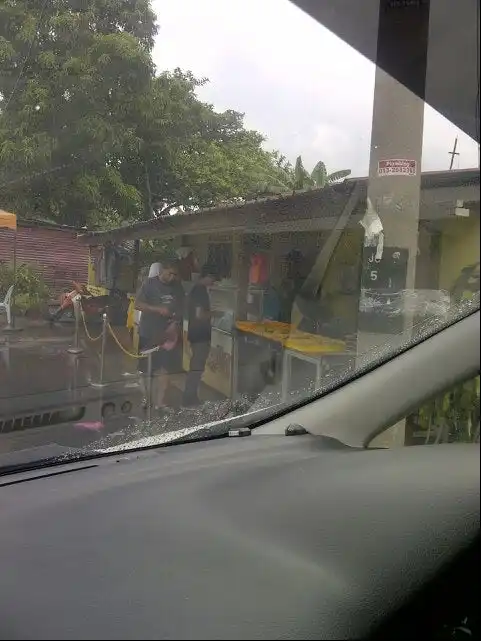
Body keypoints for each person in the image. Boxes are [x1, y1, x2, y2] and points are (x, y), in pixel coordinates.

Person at [135, 260, 184, 413]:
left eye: (175, 274)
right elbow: (137, 304)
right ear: (162, 271)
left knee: (165, 369)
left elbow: (182, 306)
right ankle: (146, 398)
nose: (173, 277)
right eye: (170, 273)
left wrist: (176, 321)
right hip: (148, 332)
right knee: (145, 370)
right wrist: (157, 309)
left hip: (168, 334)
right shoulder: (149, 284)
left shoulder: (177, 286)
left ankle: (161, 402)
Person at [183, 264, 218, 407]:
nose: (214, 282)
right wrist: (215, 313)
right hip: (200, 335)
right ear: (207, 276)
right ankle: (189, 399)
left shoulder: (195, 289)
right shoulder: (200, 291)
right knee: (197, 368)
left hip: (195, 333)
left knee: (196, 366)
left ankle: (191, 396)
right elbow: (200, 315)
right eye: (213, 279)